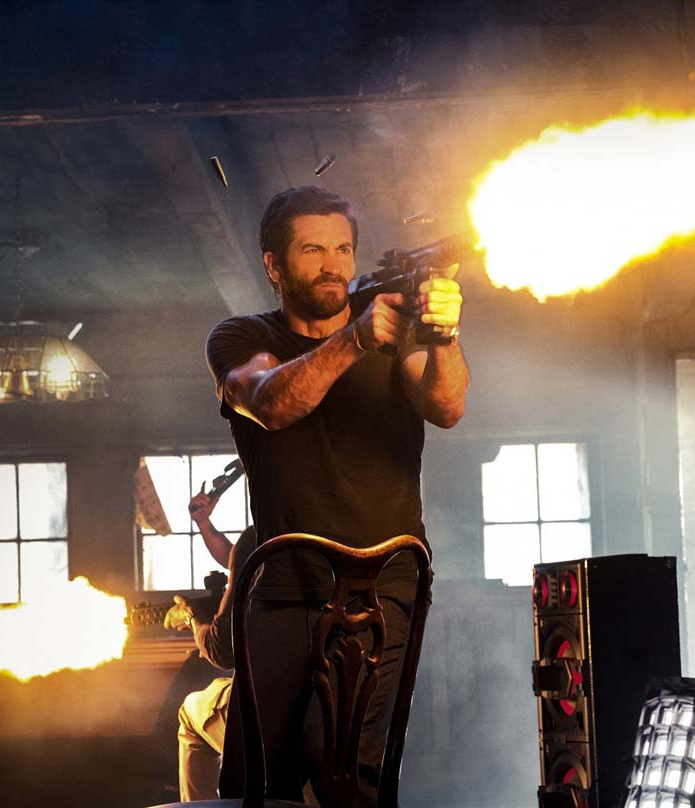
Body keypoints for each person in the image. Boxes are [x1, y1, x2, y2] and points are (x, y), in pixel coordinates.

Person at [204, 185, 468, 804]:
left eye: (343, 249)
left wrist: (444, 334)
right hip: (284, 585)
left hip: (385, 583)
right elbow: (271, 402)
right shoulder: (241, 336)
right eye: (313, 250)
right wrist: (354, 338)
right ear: (274, 265)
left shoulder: (393, 328)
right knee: (252, 781)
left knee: (348, 774)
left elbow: (446, 407)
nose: (333, 265)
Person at [165, 484, 256, 802]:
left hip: (266, 719)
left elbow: (220, 650)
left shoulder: (259, 538)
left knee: (190, 712)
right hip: (340, 711)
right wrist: (204, 524)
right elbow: (240, 560)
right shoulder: (336, 533)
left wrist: (192, 617)